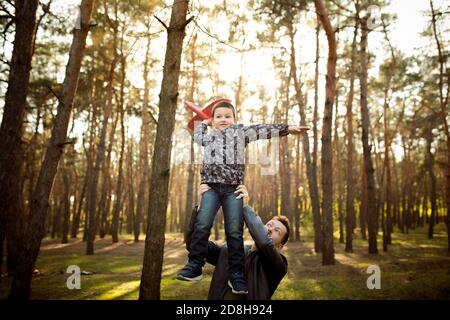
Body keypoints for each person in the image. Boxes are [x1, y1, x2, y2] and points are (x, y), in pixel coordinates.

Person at [177, 100, 307, 295]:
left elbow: (264, 129)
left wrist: (287, 128)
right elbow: (196, 136)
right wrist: (201, 124)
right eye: (218, 117)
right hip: (211, 187)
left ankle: (236, 275)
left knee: (234, 231)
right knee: (204, 226)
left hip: (232, 189)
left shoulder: (277, 265)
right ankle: (194, 265)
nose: (223, 120)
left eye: (228, 116)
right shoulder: (209, 137)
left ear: (279, 246)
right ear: (212, 120)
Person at [185, 184, 290, 300]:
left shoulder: (278, 265)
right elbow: (192, 244)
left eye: (277, 231)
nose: (270, 229)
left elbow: (265, 242)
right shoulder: (231, 250)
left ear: (280, 246)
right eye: (269, 225)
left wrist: (245, 206)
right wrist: (202, 207)